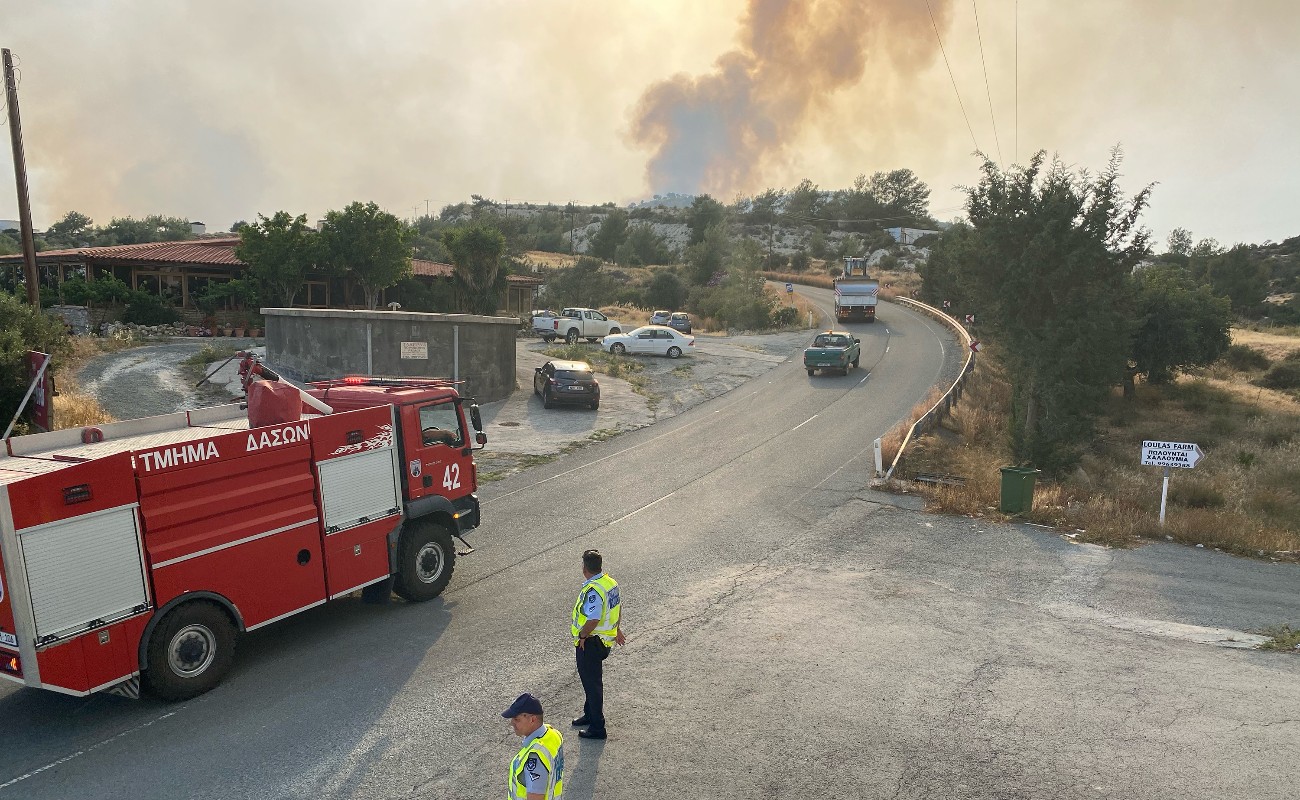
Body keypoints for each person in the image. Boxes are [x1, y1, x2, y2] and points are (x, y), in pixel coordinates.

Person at [570, 548, 625, 740]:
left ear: (585, 568)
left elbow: (592, 619)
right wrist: (617, 629)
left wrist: (583, 637)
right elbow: (616, 608)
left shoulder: (593, 590)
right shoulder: (610, 583)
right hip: (603, 641)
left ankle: (597, 727)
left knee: (592, 685)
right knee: (590, 682)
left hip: (591, 643)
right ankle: (590, 714)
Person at [502, 692, 565, 799]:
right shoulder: (553, 734)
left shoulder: (535, 757)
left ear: (532, 719)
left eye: (517, 719)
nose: (512, 723)